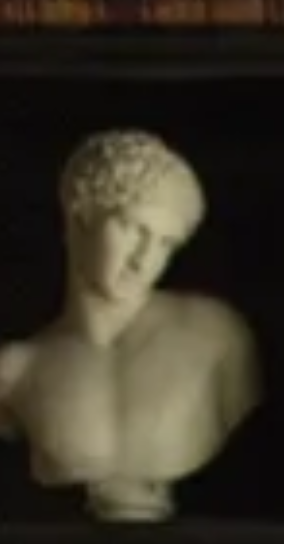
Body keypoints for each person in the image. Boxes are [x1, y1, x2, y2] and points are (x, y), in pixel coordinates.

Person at [0, 130, 259, 523]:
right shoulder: (17, 372)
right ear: (81, 216)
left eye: (165, 245)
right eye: (134, 229)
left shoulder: (216, 338)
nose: (144, 260)